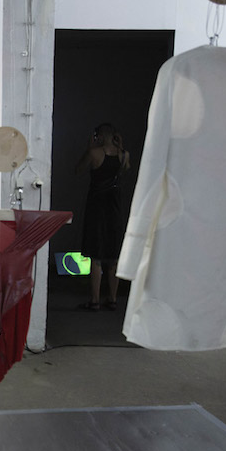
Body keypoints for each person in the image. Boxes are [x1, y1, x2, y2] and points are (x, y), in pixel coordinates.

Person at [75, 123, 130, 311]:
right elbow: (123, 171)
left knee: (96, 256)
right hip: (114, 206)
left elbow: (78, 170)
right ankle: (113, 299)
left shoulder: (94, 153)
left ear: (98, 135)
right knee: (113, 255)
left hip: (97, 205)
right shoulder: (124, 155)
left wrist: (88, 148)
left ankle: (95, 300)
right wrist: (120, 147)